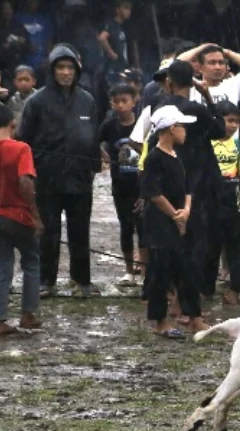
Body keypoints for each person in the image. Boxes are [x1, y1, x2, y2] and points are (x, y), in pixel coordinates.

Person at [16, 44, 99, 299]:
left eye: (70, 67)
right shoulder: (36, 101)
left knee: (80, 230)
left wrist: (93, 166)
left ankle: (82, 280)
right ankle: (45, 280)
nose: (65, 73)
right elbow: (24, 140)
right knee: (48, 231)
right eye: (61, 67)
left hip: (80, 178)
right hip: (47, 178)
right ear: (52, 71)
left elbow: (93, 138)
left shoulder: (87, 100)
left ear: (76, 70)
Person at [141, 105, 209, 339]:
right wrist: (174, 215)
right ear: (171, 129)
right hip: (160, 223)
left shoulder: (177, 156)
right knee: (161, 271)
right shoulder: (154, 158)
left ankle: (195, 317)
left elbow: (187, 187)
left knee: (187, 269)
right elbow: (153, 193)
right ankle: (160, 321)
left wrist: (186, 210)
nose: (185, 131)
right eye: (182, 126)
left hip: (180, 219)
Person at [0, 104, 42, 336]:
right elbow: (25, 181)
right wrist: (35, 214)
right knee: (31, 261)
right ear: (12, 123)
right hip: (18, 216)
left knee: (2, 266)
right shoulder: (21, 148)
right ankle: (28, 314)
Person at [205, 101, 240, 304]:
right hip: (210, 202)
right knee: (209, 247)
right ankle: (205, 288)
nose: (233, 125)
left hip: (233, 203)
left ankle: (235, 289)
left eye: (237, 122)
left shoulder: (238, 145)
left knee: (237, 247)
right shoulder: (207, 144)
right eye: (229, 120)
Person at [98, 82, 142, 287]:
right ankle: (129, 271)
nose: (121, 106)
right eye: (116, 102)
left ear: (134, 101)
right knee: (126, 226)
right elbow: (94, 142)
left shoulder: (142, 124)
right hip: (120, 185)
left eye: (125, 101)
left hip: (141, 185)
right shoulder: (109, 126)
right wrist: (105, 157)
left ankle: (145, 266)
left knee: (144, 228)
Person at [176, 43, 240, 108]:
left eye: (221, 62)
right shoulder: (192, 87)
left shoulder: (232, 85)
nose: (217, 67)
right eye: (212, 63)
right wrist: (202, 48)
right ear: (200, 67)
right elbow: (176, 64)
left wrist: (227, 52)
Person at [97, 0, 132, 88]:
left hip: (122, 66)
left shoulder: (122, 26)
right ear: (117, 9)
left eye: (129, 9)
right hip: (113, 68)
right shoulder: (112, 24)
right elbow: (102, 38)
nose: (128, 12)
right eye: (125, 8)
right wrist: (112, 54)